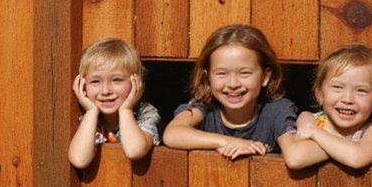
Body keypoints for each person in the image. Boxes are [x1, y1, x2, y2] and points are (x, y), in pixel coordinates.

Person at [162, 24, 297, 158]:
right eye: (221, 73)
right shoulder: (205, 108)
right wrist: (229, 142)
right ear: (208, 77)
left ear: (265, 77)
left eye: (245, 73)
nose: (233, 84)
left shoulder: (276, 111)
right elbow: (172, 134)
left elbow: (295, 156)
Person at [280, 44, 372, 170]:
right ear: (320, 94)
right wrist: (350, 149)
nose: (347, 99)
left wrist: (315, 134)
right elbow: (296, 158)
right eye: (337, 87)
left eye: (361, 91)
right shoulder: (311, 120)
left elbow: (356, 158)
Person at [69, 38, 161, 169]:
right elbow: (79, 159)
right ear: (82, 85)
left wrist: (126, 110)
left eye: (117, 80)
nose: (106, 91)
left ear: (137, 82)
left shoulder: (145, 113)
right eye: (95, 81)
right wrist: (91, 112)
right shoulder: (90, 119)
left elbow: (134, 150)